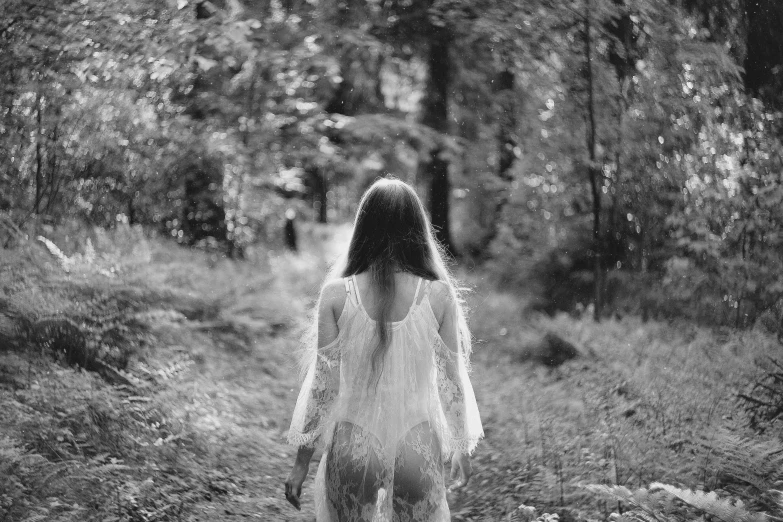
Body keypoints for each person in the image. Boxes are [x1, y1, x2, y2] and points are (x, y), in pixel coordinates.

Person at [284, 178, 483, 521]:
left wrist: (302, 463)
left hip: (354, 443)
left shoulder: (335, 294)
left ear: (364, 227)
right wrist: (461, 448)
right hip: (416, 444)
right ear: (417, 229)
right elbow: (452, 380)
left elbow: (322, 387)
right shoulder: (438, 295)